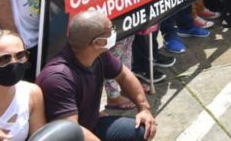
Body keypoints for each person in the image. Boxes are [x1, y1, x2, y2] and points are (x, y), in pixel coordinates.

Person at [36, 10, 156, 141]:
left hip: (91, 125)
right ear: (98, 42)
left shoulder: (99, 55)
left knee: (143, 131)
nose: (114, 32)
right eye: (111, 30)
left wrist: (144, 108)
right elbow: (71, 133)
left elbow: (124, 75)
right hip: (74, 135)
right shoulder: (58, 79)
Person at [0, 30, 46, 141]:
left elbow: (40, 137)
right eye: (4, 59)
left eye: (20, 55)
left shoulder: (32, 93)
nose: (14, 62)